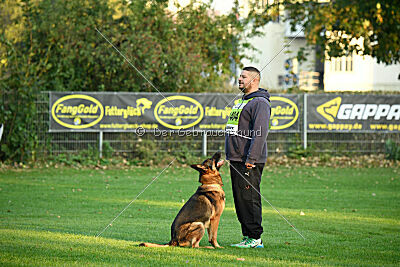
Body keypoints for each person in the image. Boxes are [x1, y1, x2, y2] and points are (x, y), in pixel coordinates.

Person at [225, 66, 271, 248]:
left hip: (248, 161)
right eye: (239, 76)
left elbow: (260, 133)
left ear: (254, 80)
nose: (240, 79)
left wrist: (251, 159)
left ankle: (255, 238)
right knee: (240, 199)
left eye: (244, 77)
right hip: (236, 159)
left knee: (249, 198)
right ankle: (247, 236)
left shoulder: (260, 102)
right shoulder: (242, 101)